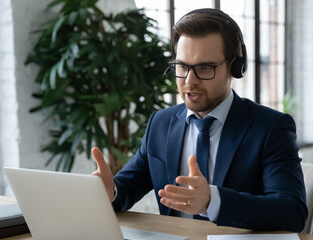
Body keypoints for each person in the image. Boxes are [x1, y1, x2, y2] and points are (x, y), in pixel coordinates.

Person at [91, 8, 307, 232]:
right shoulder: (160, 124)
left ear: (234, 66)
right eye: (182, 66)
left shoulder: (270, 128)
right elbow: (128, 187)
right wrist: (110, 191)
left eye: (205, 68)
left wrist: (212, 200)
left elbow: (291, 212)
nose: (189, 81)